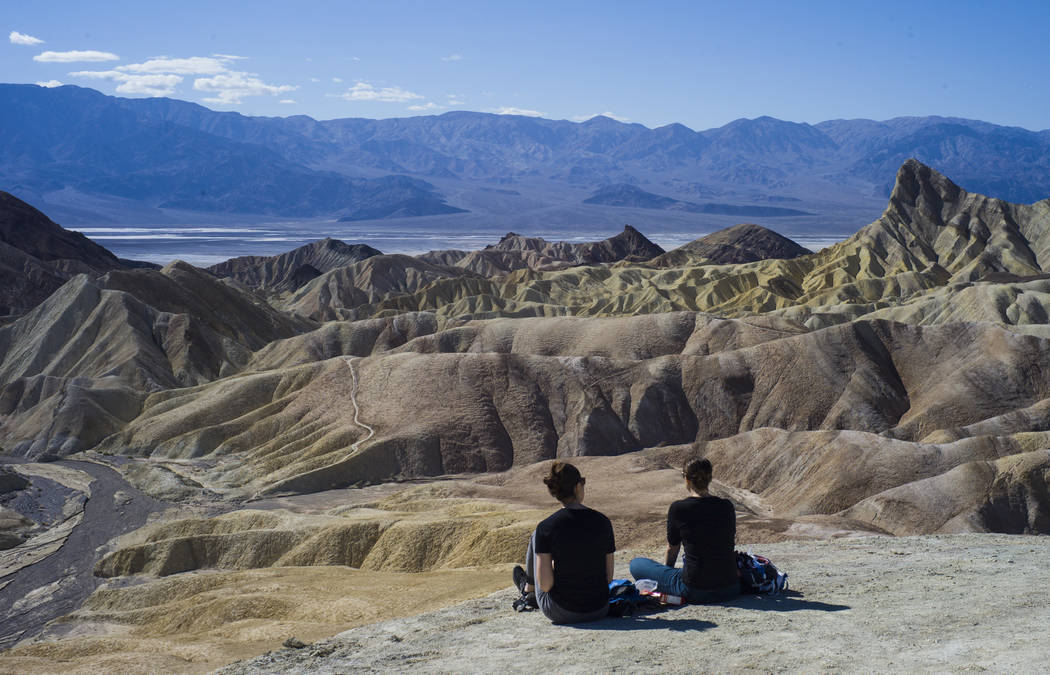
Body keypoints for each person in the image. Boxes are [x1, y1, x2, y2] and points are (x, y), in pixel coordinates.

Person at [512, 461, 615, 623]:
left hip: (561, 611)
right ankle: (528, 587)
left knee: (535, 536)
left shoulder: (546, 528)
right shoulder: (603, 522)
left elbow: (545, 585)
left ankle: (529, 589)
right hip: (599, 608)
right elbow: (608, 578)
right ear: (577, 487)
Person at [629, 458, 739, 603]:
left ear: (687, 480)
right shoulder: (727, 506)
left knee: (636, 564)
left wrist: (666, 572)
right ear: (710, 478)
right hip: (730, 588)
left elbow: (673, 548)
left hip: (695, 590)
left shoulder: (679, 509)